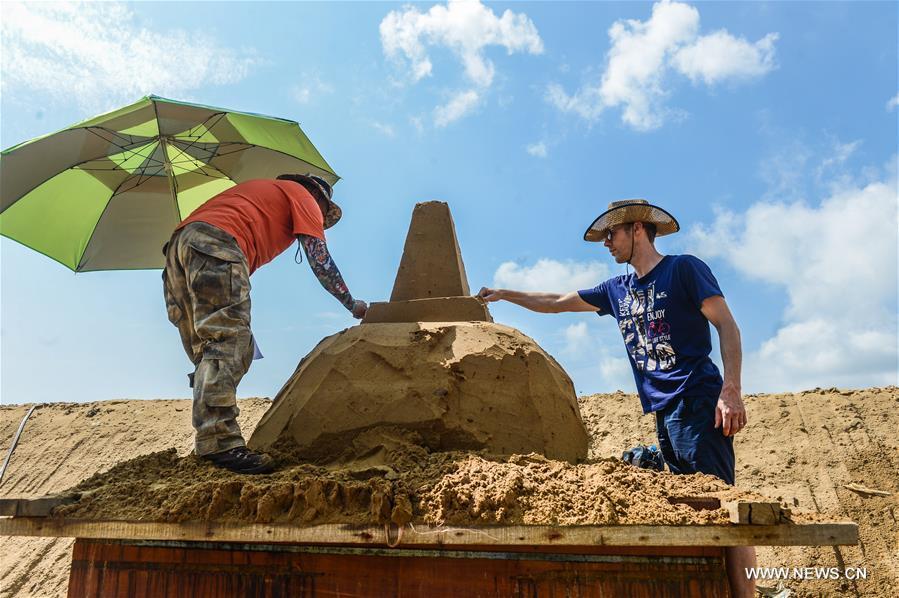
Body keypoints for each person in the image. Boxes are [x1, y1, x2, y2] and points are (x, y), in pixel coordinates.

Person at [477, 199, 756, 597]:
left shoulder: (684, 269)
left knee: (722, 507)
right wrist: (505, 294)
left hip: (697, 399)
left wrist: (731, 390)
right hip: (663, 413)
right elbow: (557, 303)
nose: (606, 242)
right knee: (691, 511)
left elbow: (726, 324)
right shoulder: (617, 290)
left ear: (638, 228)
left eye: (612, 234)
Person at [162, 174, 367, 475]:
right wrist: (351, 302)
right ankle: (221, 445)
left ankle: (209, 437)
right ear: (319, 198)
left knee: (209, 350)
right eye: (324, 215)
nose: (320, 220)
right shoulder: (303, 196)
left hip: (178, 249)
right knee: (230, 344)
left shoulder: (260, 192)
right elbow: (318, 257)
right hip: (215, 245)